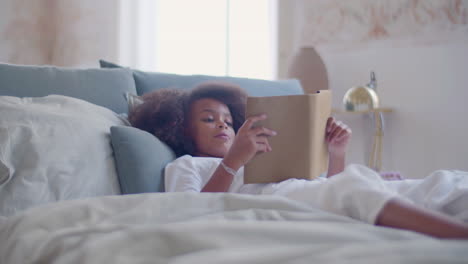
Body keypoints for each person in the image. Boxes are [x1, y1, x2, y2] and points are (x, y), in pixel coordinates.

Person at [129, 82, 468, 239]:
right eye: (208, 119)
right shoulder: (187, 164)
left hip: (313, 192)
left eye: (229, 121)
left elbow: (325, 186)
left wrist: (336, 152)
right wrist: (232, 161)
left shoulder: (262, 152)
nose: (222, 124)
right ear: (181, 129)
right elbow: (191, 212)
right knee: (354, 191)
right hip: (283, 202)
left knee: (441, 183)